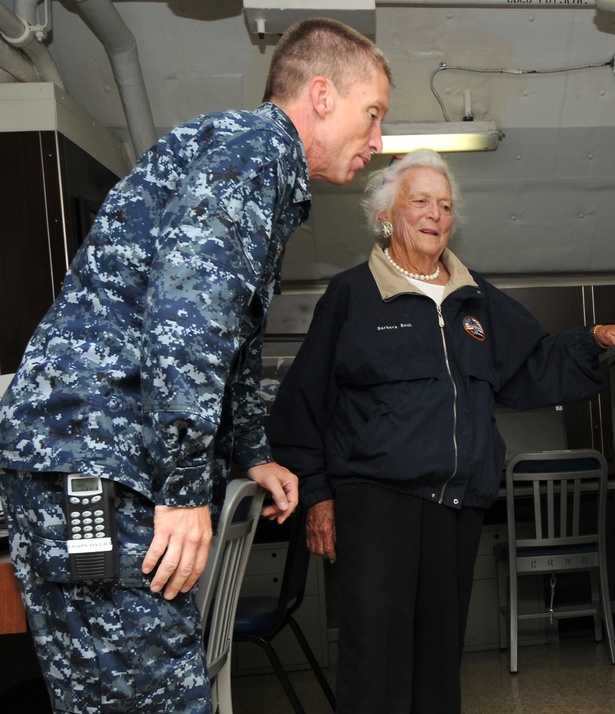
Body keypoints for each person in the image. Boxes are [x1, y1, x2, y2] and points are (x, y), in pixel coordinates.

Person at [0, 18, 392, 714]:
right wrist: (183, 490)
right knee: (149, 697)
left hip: (94, 459)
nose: (377, 142)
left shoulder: (253, 165)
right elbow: (188, 321)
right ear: (323, 96)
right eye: (374, 115)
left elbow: (227, 334)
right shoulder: (249, 153)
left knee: (122, 697)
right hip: (97, 466)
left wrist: (250, 450)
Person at [267, 148, 615, 713]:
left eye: (444, 205)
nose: (435, 214)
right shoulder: (353, 295)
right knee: (375, 656)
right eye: (420, 201)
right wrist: (317, 496)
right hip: (377, 500)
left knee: (440, 656)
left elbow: (531, 364)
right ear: (387, 215)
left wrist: (591, 340)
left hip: (457, 502)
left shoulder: (475, 297)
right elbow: (304, 404)